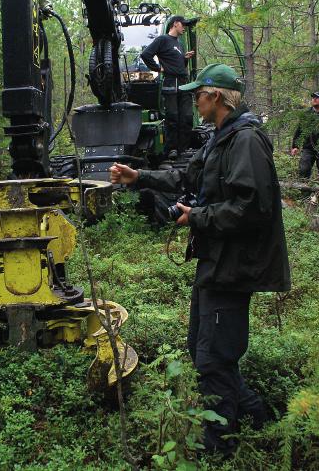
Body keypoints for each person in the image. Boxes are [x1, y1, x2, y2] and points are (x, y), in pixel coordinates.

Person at [110, 63, 291, 455]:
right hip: (216, 261)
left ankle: (219, 450)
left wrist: (199, 217)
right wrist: (137, 177)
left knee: (213, 357)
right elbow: (186, 178)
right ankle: (259, 422)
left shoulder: (245, 141)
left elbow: (254, 208)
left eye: (198, 93)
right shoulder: (220, 138)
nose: (193, 100)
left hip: (235, 265)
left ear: (216, 97)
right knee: (202, 348)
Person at [140, 15, 195, 159]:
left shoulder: (180, 44)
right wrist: (158, 69)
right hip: (171, 83)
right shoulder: (163, 40)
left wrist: (184, 58)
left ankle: (184, 149)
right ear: (175, 24)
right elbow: (146, 54)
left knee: (187, 117)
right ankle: (171, 150)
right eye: (183, 24)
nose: (184, 27)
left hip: (184, 83)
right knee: (173, 118)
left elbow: (179, 66)